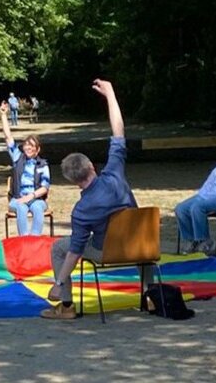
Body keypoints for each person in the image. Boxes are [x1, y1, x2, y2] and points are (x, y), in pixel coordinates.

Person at [42, 79, 137, 320]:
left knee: (59, 248)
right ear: (92, 166)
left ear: (73, 181)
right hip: (141, 244)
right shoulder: (115, 173)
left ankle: (66, 306)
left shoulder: (82, 210)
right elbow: (119, 132)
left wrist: (59, 282)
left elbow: (74, 252)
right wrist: (111, 95)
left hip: (111, 251)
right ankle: (150, 293)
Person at [0, 100, 50, 236]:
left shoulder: (42, 164)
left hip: (36, 199)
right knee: (21, 207)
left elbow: (44, 188)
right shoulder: (18, 157)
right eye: (26, 145)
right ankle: (24, 239)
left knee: (38, 207)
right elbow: (8, 137)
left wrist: (31, 197)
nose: (28, 148)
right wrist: (4, 115)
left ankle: (34, 239)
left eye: (31, 146)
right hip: (18, 199)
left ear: (37, 149)